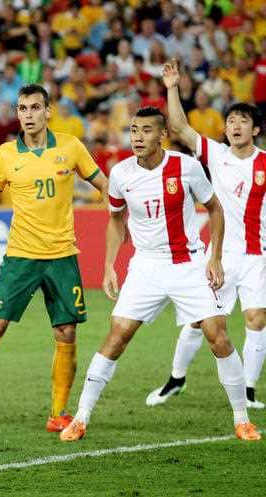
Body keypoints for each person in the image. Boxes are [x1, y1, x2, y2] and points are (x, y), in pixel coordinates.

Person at [59, 107, 260, 442]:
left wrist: (215, 258)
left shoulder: (186, 167)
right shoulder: (121, 173)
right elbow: (115, 219)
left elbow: (214, 209)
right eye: (134, 130)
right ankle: (80, 418)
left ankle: (242, 419)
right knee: (116, 337)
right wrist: (110, 264)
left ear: (162, 134)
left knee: (218, 335)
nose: (138, 136)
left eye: (146, 131)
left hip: (188, 263)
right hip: (147, 266)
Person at [0, 84, 108, 435]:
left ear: (48, 111)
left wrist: (124, 205)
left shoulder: (71, 147)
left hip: (62, 256)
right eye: (22, 109)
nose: (28, 115)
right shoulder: (5, 155)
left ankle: (59, 413)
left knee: (66, 332)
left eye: (34, 108)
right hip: (20, 256)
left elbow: (104, 185)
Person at [144, 60, 266, 409]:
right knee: (200, 320)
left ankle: (249, 390)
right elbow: (180, 127)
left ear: (255, 130)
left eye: (243, 122)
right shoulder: (216, 153)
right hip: (222, 255)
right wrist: (171, 86)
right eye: (230, 121)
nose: (235, 126)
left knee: (256, 319)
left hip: (258, 255)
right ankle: (175, 379)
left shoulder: (265, 163)